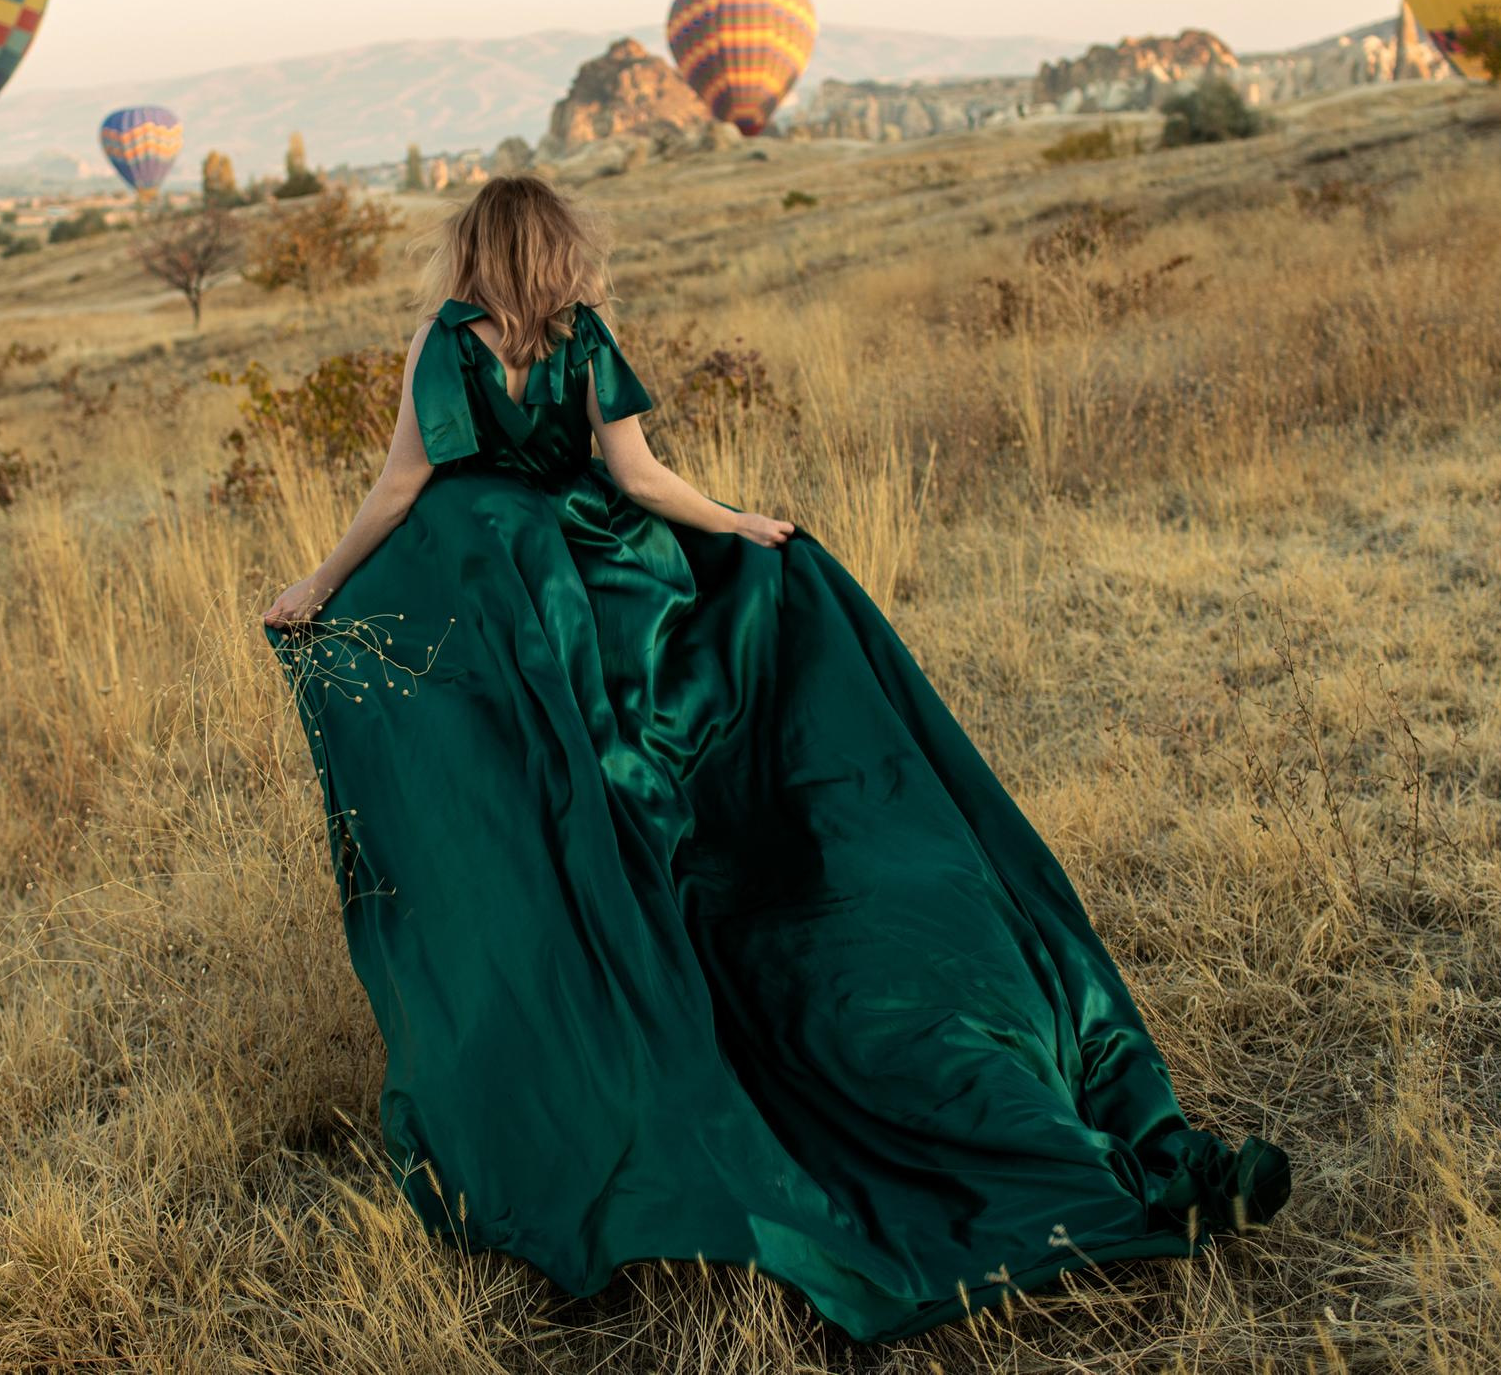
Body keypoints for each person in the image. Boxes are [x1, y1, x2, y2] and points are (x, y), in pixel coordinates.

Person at [261, 175, 1287, 1342]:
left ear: (471, 248)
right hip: (604, 589)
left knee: (535, 818)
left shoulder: (441, 342)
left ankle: (589, 1035)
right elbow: (639, 481)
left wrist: (321, 585)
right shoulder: (584, 337)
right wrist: (737, 525)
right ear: (557, 248)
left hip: (500, 606)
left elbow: (403, 486)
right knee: (667, 787)